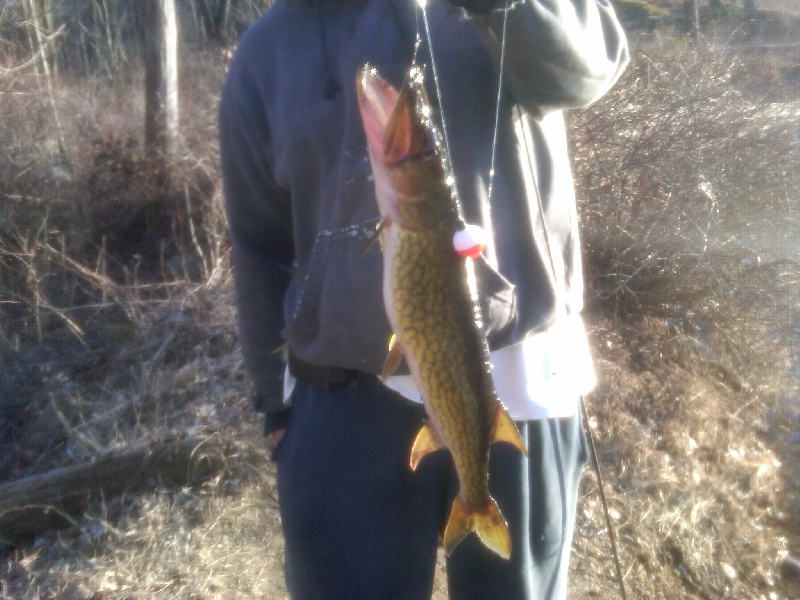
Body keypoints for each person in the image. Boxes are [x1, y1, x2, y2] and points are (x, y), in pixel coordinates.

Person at [219, 0, 628, 598]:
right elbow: (258, 243)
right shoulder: (266, 51)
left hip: (518, 389)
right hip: (339, 403)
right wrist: (276, 407)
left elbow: (592, 68)